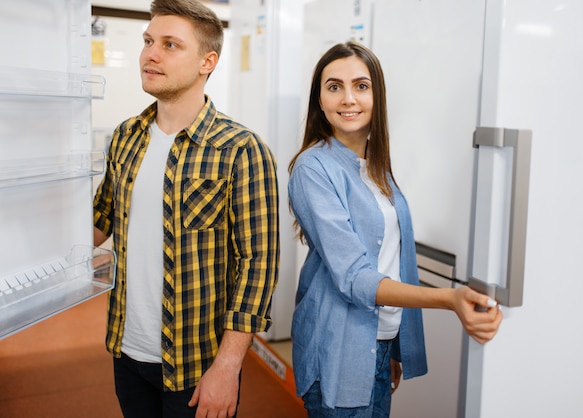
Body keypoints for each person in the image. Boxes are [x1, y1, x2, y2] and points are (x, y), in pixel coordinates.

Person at [287, 41, 503, 417]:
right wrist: (450, 299)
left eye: (361, 86)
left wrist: (392, 344)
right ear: (319, 101)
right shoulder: (312, 168)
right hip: (338, 348)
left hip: (378, 344)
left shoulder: (376, 167)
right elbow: (355, 277)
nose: (348, 98)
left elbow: (392, 257)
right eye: (334, 86)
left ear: (377, 97)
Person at [92, 1, 280, 417]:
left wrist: (228, 366)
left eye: (170, 44)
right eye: (148, 41)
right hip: (126, 352)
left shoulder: (240, 150)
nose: (150, 54)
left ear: (206, 62)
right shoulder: (127, 137)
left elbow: (258, 266)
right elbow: (100, 221)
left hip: (198, 365)